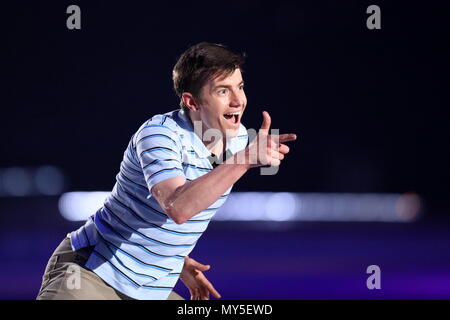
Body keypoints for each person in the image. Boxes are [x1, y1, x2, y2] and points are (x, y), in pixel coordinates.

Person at [36, 42, 297, 300]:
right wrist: (245, 159)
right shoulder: (159, 134)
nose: (238, 100)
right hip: (91, 273)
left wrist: (173, 260)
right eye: (222, 91)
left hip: (152, 288)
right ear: (191, 102)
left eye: (239, 87)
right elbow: (177, 206)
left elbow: (149, 214)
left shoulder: (239, 139)